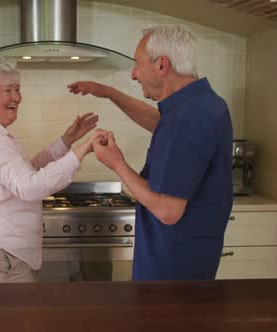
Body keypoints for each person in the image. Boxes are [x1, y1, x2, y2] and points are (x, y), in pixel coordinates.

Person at [67, 24, 233, 281]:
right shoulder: (195, 105)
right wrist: (109, 93)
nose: (134, 74)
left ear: (162, 65)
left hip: (175, 268)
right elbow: (160, 124)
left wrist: (117, 163)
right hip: (177, 258)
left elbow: (168, 211)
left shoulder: (192, 116)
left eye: (137, 63)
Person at [0, 56, 101, 283]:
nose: (17, 97)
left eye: (17, 89)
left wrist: (66, 141)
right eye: (8, 90)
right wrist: (81, 151)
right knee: (11, 318)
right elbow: (29, 187)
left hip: (5, 248)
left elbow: (27, 172)